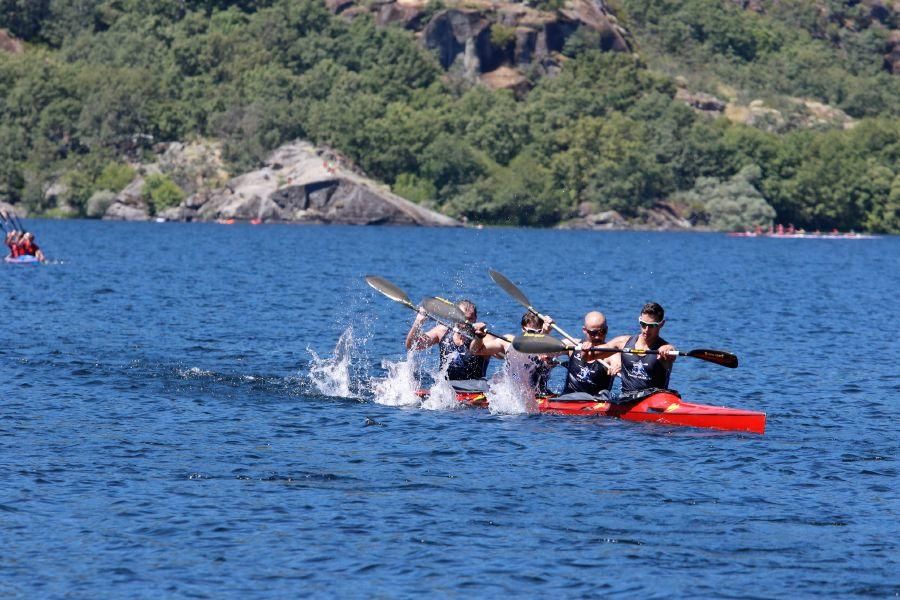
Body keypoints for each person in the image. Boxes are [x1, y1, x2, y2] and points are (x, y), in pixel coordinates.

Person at [471, 312, 556, 395]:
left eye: (538, 332)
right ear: (523, 328)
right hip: (512, 394)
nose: (533, 336)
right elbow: (475, 351)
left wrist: (545, 333)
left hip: (538, 393)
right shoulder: (508, 341)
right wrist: (479, 337)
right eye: (530, 332)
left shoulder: (547, 345)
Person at [405, 299, 489, 382]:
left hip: (475, 391)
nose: (465, 325)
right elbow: (411, 345)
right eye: (462, 319)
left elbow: (476, 349)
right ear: (454, 317)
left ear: (475, 318)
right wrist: (418, 321)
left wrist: (479, 337)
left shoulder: (484, 338)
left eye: (470, 319)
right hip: (446, 391)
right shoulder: (441, 331)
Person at [606, 302, 677, 396]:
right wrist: (615, 361)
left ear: (661, 324)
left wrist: (670, 348)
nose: (646, 330)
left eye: (652, 326)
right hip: (626, 399)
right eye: (643, 324)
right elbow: (597, 353)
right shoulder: (623, 342)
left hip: (653, 401)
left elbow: (672, 353)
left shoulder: (664, 350)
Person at [560, 311, 616, 396]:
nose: (597, 336)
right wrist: (546, 330)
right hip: (567, 400)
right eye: (593, 333)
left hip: (596, 403)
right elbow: (545, 349)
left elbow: (617, 360)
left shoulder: (610, 354)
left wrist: (617, 365)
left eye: (602, 331)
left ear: (607, 330)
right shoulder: (573, 345)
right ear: (584, 330)